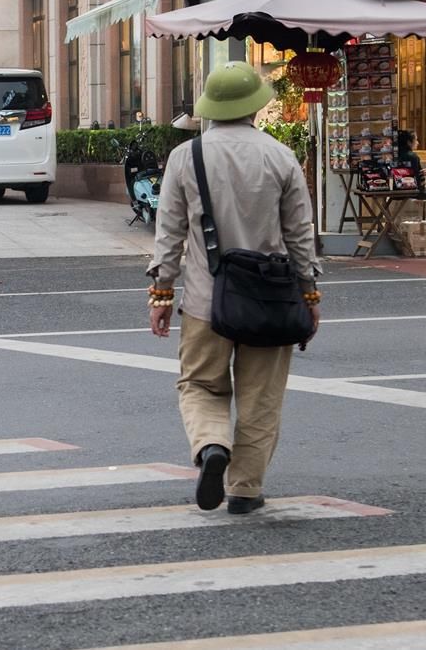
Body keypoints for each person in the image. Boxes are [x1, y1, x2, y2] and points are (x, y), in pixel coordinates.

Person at [147, 62, 321, 516]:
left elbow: (169, 231)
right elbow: (300, 234)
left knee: (200, 384)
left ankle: (210, 446)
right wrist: (310, 294)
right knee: (260, 399)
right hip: (270, 300)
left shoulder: (188, 156)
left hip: (207, 302)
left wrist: (162, 292)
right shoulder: (280, 156)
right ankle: (245, 489)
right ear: (254, 108)